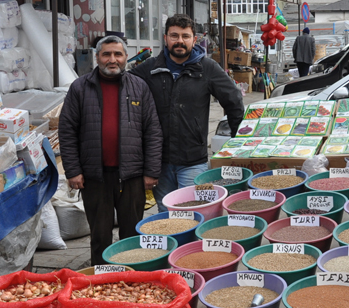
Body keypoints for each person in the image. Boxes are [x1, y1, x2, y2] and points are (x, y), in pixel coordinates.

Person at [59, 35, 163, 265]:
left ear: (126, 57)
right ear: (97, 57)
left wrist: (151, 171)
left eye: (118, 54)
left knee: (132, 234)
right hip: (94, 177)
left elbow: (153, 131)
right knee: (99, 236)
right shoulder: (80, 88)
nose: (112, 59)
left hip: (132, 176)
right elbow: (67, 132)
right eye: (106, 54)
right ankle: (102, 281)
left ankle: (131, 278)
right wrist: (73, 171)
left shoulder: (139, 87)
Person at [130, 14, 244, 212]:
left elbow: (233, 100)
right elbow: (123, 92)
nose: (180, 41)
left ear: (194, 39)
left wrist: (238, 143)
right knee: (167, 215)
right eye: (174, 36)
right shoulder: (149, 69)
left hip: (193, 160)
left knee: (193, 213)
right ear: (165, 38)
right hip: (160, 161)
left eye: (185, 36)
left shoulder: (207, 68)